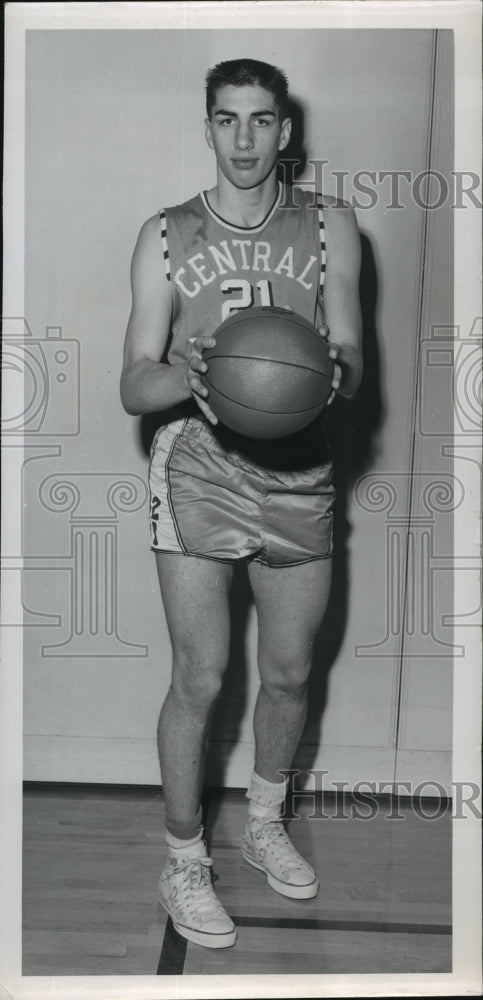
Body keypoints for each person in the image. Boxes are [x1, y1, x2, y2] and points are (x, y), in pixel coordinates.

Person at [120, 58, 362, 950]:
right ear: (209, 127)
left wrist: (323, 378)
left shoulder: (333, 227)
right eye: (228, 121)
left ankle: (263, 821)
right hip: (198, 463)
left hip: (298, 468)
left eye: (263, 122)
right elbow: (131, 385)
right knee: (201, 677)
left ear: (285, 131)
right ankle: (184, 857)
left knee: (291, 673)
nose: (246, 140)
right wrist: (182, 375)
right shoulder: (165, 235)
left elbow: (354, 365)